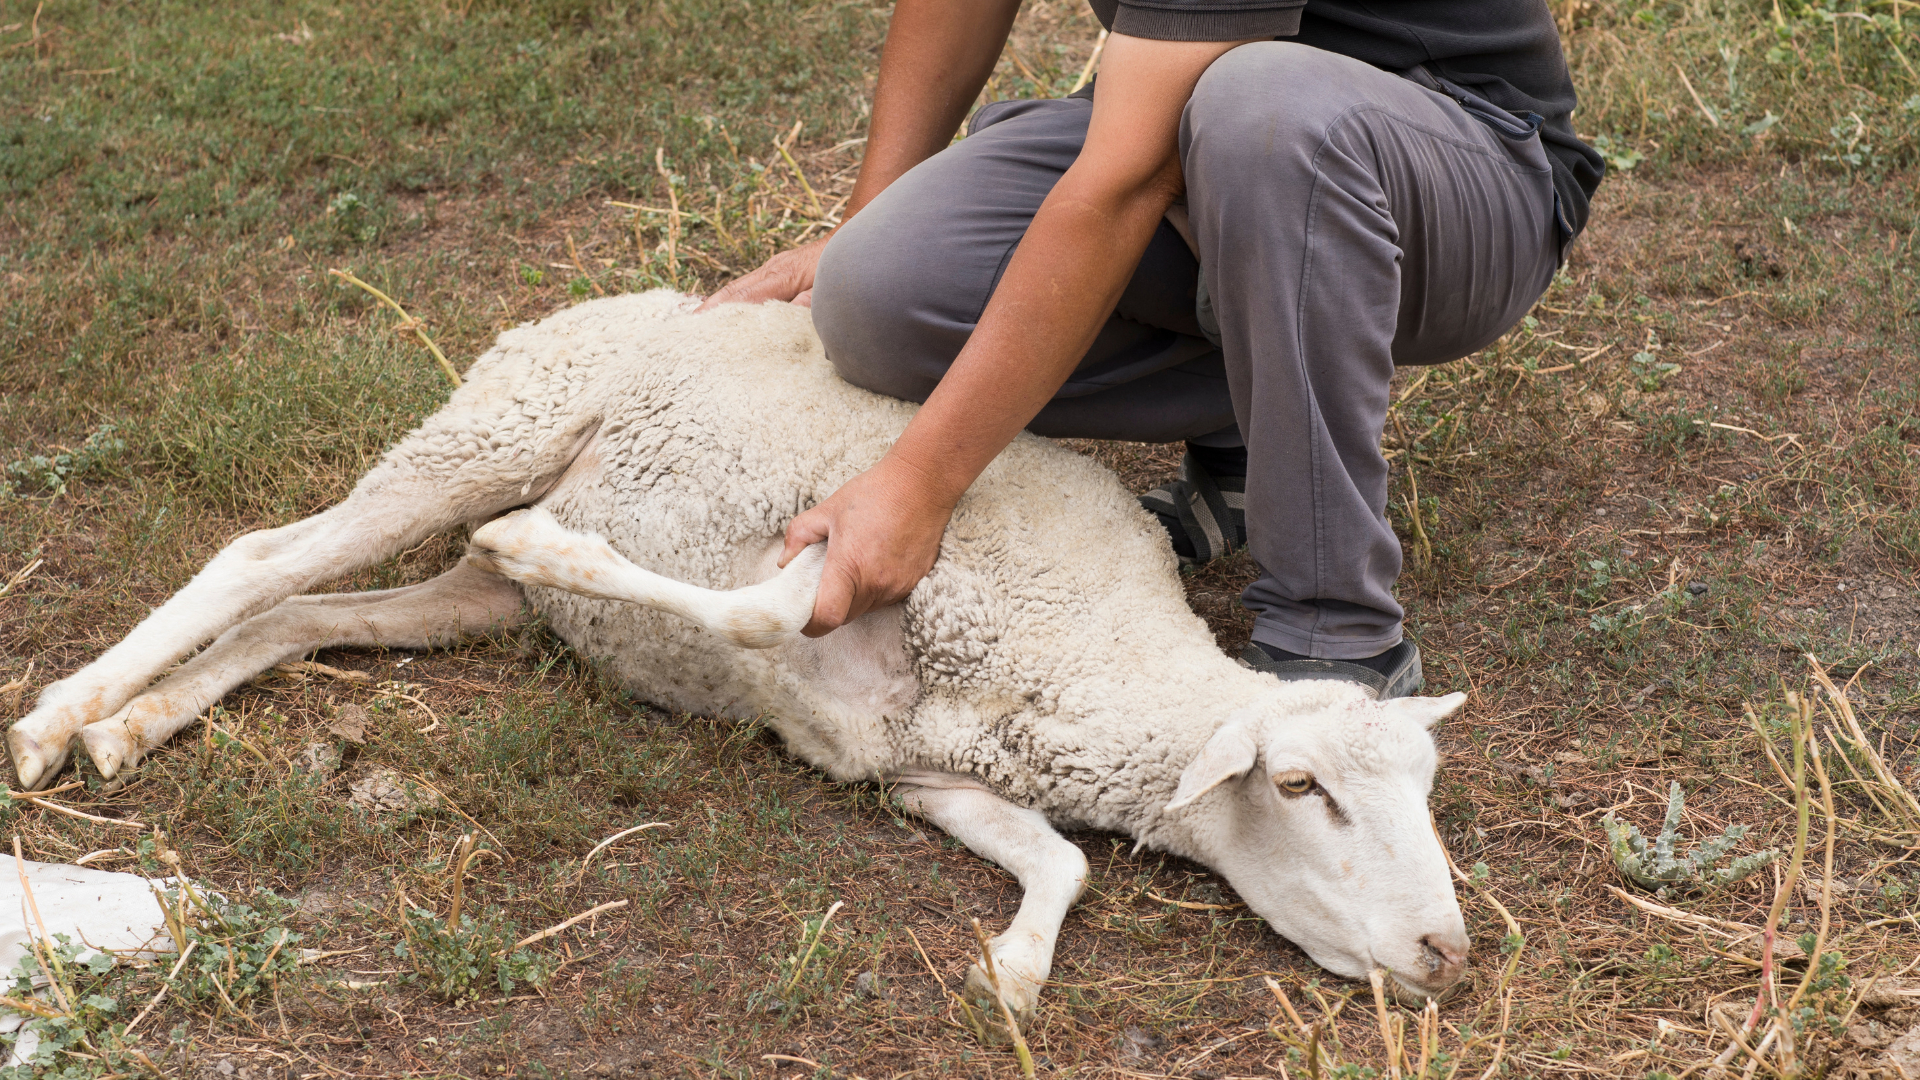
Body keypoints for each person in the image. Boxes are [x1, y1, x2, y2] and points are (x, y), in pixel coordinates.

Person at [699, 0, 1603, 698]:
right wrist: (856, 224)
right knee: (879, 292)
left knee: (1264, 111)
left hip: (1465, 161)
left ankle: (1335, 636)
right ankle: (1252, 447)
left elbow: (1128, 182)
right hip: (1214, 125)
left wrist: (918, 482)